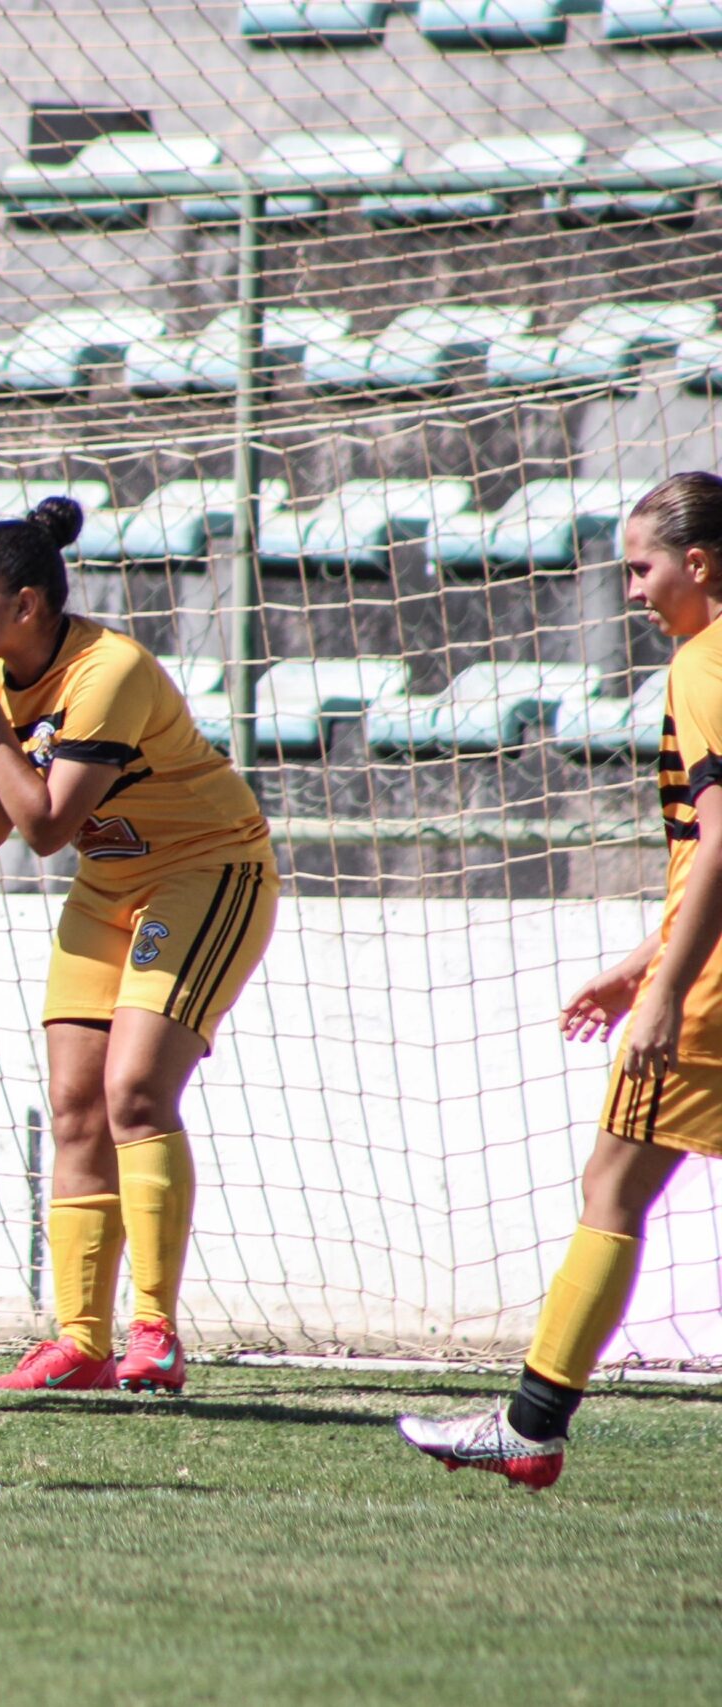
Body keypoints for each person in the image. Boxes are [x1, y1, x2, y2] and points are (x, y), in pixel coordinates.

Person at [0, 496, 276, 1395]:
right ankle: (81, 1340)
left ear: (26, 604)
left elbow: (44, 827)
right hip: (112, 885)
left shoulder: (107, 671)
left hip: (206, 871)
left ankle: (154, 1329)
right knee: (75, 1103)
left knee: (135, 1090)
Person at [399, 474, 722, 1488]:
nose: (631, 590)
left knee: (610, 1187)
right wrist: (638, 966)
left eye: (641, 567)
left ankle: (531, 1425)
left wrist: (667, 990)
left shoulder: (703, 666)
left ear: (699, 565)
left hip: (711, 989)